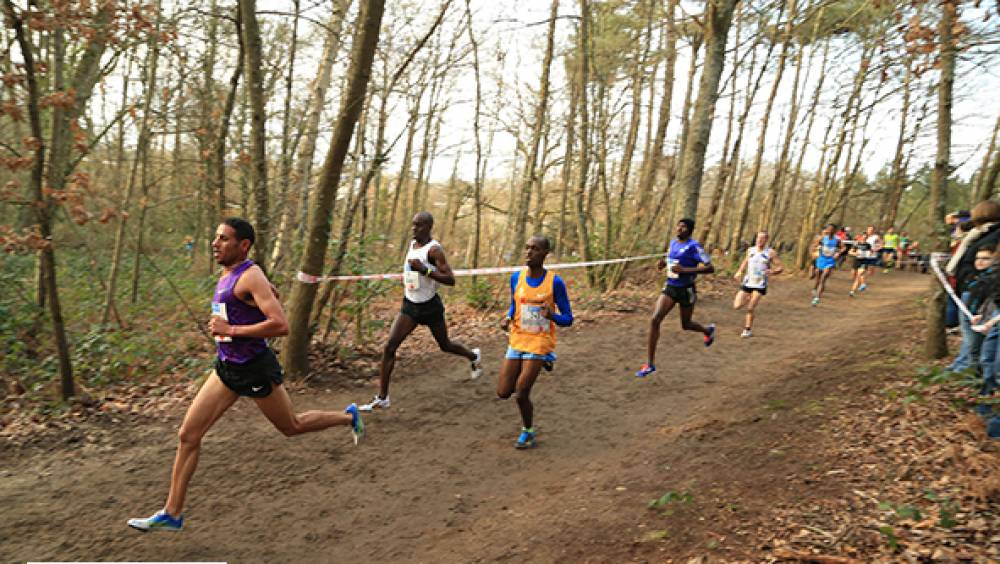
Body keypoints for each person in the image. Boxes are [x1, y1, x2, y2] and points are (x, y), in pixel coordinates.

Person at [127, 218, 364, 533]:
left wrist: (232, 329)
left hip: (253, 367)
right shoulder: (230, 272)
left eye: (223, 238)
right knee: (188, 435)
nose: (215, 243)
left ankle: (349, 417)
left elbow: (281, 325)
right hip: (227, 368)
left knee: (291, 427)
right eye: (216, 236)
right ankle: (172, 512)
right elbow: (256, 302)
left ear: (244, 245)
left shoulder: (249, 275)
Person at [361, 212, 482, 411]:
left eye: (418, 226)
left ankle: (473, 356)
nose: (413, 229)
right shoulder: (412, 244)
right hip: (410, 305)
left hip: (430, 307)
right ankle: (383, 397)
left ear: (428, 227)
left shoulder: (434, 251)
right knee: (390, 347)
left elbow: (450, 279)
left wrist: (424, 270)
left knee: (445, 345)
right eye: (413, 225)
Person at [496, 235, 573, 449]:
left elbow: (568, 319)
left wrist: (553, 317)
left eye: (535, 249)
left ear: (545, 254)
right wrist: (508, 317)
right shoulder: (516, 278)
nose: (529, 252)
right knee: (503, 392)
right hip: (518, 337)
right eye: (527, 248)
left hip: (540, 340)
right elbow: (515, 304)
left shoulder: (554, 282)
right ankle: (543, 361)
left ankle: (527, 431)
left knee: (521, 392)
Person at [636, 218, 716, 378]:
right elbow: (672, 260)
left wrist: (685, 270)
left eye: (683, 226)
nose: (679, 228)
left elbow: (710, 268)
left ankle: (707, 330)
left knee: (686, 325)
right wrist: (663, 264)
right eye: (678, 225)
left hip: (687, 289)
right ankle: (650, 364)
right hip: (671, 287)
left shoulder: (694, 247)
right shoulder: (673, 243)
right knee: (655, 319)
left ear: (690, 230)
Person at [732, 230, 784, 337]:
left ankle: (747, 329)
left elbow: (781, 267)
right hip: (748, 282)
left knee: (750, 308)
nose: (759, 240)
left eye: (762, 238)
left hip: (760, 284)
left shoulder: (770, 253)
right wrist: (739, 271)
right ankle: (747, 300)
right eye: (758, 238)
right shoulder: (750, 250)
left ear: (766, 240)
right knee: (736, 306)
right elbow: (745, 262)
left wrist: (773, 271)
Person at [811, 223, 843, 306]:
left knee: (823, 277)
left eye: (832, 229)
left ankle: (817, 298)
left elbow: (843, 248)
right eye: (829, 229)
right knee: (818, 277)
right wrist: (815, 252)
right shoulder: (822, 238)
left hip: (830, 260)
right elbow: (813, 246)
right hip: (821, 259)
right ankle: (815, 288)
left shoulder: (837, 240)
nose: (830, 231)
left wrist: (838, 253)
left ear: (835, 231)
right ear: (827, 230)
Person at [848, 232, 874, 297]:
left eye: (866, 237)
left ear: (867, 238)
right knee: (853, 275)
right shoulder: (857, 244)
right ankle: (854, 289)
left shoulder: (868, 245)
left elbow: (871, 251)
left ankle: (858, 287)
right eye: (863, 237)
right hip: (856, 260)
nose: (864, 238)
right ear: (861, 237)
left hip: (864, 261)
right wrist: (854, 254)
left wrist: (869, 254)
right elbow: (850, 252)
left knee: (859, 274)